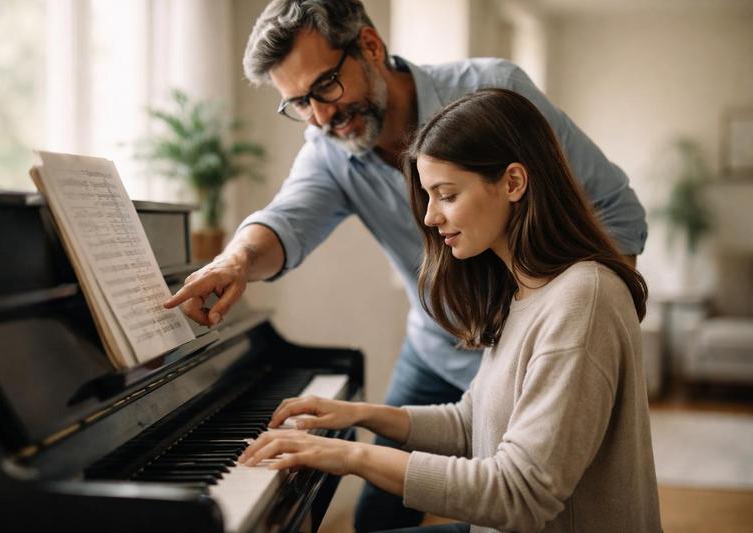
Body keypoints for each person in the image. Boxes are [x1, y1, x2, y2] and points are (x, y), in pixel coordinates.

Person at [163, 1, 648, 530]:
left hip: (536, 328)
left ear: (370, 47)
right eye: (299, 103)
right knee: (377, 515)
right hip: (452, 340)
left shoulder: (495, 94)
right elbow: (285, 221)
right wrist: (235, 262)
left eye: (325, 86)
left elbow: (617, 214)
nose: (320, 116)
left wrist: (571, 319)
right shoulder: (328, 150)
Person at [237, 88, 661, 533]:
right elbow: (470, 422)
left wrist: (351, 455)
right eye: (428, 196)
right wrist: (358, 414)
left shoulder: (582, 299)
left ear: (513, 183)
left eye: (447, 195)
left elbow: (519, 493)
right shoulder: (522, 291)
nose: (430, 217)